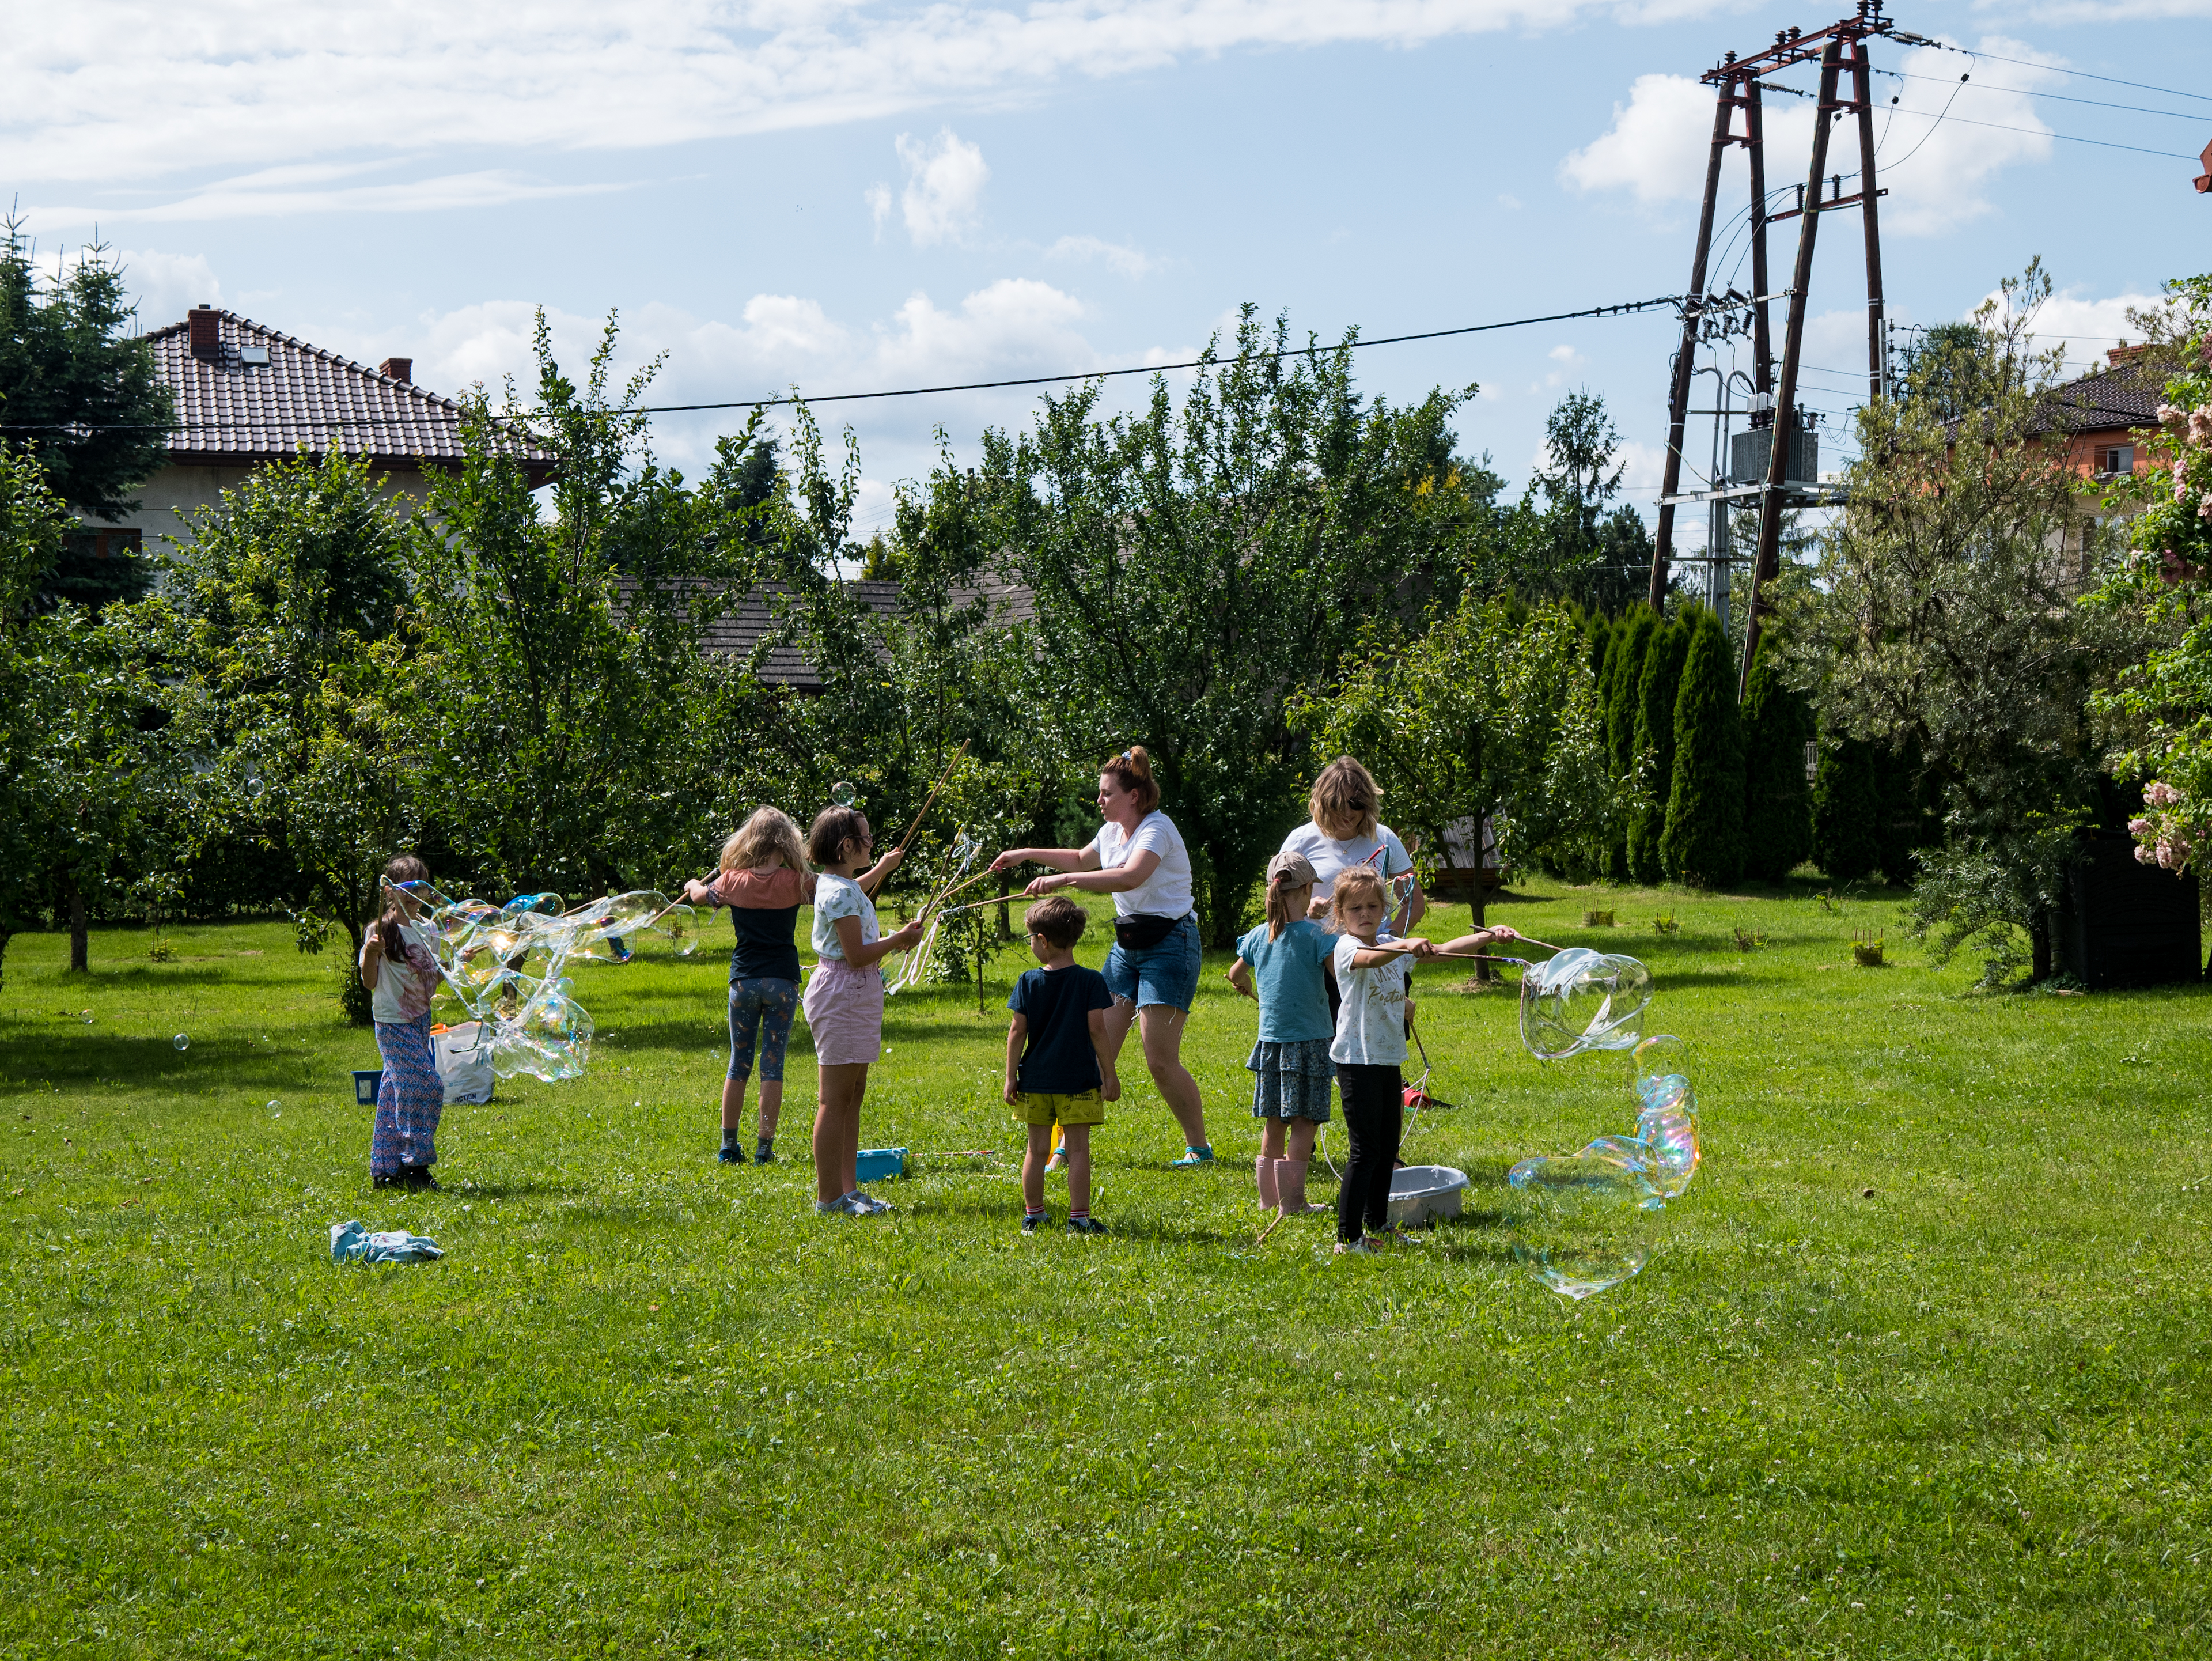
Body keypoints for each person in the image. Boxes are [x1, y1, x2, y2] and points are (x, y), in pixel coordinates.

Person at [993, 745, 1213, 1167]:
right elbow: (1081, 857)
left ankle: (1199, 1147)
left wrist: (1064, 881)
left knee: (1159, 1060)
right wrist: (1025, 854)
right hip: (1127, 946)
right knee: (1095, 1049)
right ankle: (1066, 1142)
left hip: (1171, 944)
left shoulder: (1157, 829)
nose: (1099, 800)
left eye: (1107, 793)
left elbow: (1130, 876)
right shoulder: (1111, 831)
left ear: (1134, 796)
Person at [1327, 865, 1517, 1255]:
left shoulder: (1391, 944)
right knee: (1364, 1151)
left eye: (1373, 906)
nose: (1365, 913)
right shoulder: (1347, 947)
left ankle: (1377, 1224)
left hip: (1388, 1059)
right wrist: (1405, 944)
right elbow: (1369, 959)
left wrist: (1487, 936)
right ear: (1341, 914)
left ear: (1384, 909)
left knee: (1386, 1151)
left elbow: (1444, 950)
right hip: (1356, 1061)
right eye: (1355, 908)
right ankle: (1348, 1239)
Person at [801, 803, 923, 1217]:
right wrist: (900, 939)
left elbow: (854, 890)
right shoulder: (837, 892)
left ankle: (848, 1189)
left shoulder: (840, 884)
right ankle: (829, 1198)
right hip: (844, 993)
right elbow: (855, 956)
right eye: (866, 838)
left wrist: (883, 867)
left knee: (853, 1094)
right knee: (834, 1100)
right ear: (847, 846)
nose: (872, 843)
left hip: (854, 993)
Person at [682, 807, 816, 1168]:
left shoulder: (731, 881)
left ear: (750, 840)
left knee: (738, 1063)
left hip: (743, 981)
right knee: (773, 1066)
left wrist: (693, 885)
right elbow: (842, 889)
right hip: (783, 981)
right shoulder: (798, 882)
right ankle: (764, 1149)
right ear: (787, 843)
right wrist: (882, 868)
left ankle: (728, 1146)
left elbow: (700, 896)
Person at [1226, 851, 1335, 1219]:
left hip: (1270, 1045)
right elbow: (1340, 976)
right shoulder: (1318, 936)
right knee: (1304, 1122)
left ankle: (1269, 1200)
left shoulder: (1259, 936)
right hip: (1311, 1043)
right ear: (1307, 890)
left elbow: (1235, 973)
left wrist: (1244, 982)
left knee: (1275, 1122)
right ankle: (1293, 1204)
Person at [1003, 895, 1120, 1235]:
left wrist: (1010, 1077)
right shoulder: (1091, 981)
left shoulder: (1028, 981)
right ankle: (1079, 1220)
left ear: (1042, 940)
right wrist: (1109, 1074)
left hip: (1035, 1082)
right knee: (1078, 1149)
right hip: (1079, 1081)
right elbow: (1098, 1030)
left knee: (1036, 1150)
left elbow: (1017, 1032)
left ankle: (1034, 1217)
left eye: (1030, 938)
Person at [359, 854, 444, 1191]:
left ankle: (385, 1170)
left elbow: (430, 980)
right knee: (426, 1085)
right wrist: (371, 953)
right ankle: (415, 1165)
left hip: (420, 1019)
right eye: (405, 889)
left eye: (419, 889)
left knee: (394, 1090)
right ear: (390, 892)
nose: (413, 896)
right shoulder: (380, 931)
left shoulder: (429, 929)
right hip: (392, 1022)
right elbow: (369, 982)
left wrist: (456, 965)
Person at [1279, 755, 1426, 932]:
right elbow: (1276, 900)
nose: (1347, 813)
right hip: (1315, 946)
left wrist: (1386, 938)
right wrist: (1306, 908)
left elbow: (1414, 903)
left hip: (1372, 947)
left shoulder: (1385, 839)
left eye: (1356, 803)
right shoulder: (1301, 840)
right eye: (1338, 804)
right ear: (1324, 803)